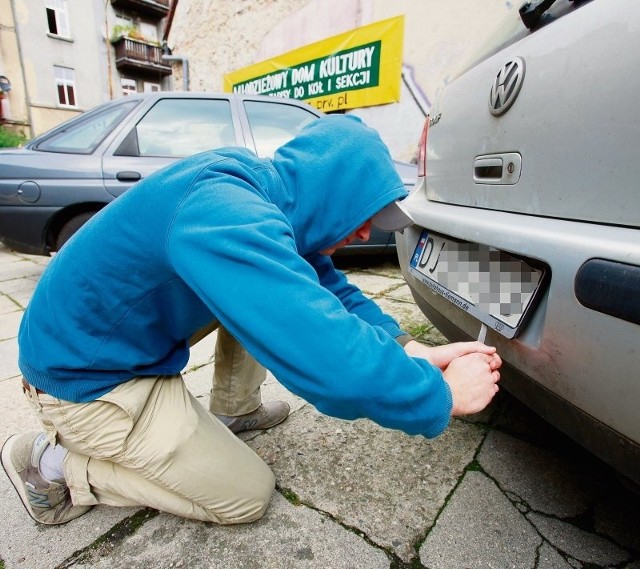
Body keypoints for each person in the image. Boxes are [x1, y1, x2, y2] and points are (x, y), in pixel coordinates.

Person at [1, 115, 501, 526]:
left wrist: (413, 350)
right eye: (362, 215)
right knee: (245, 496)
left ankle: (234, 410)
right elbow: (330, 361)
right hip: (85, 382)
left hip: (103, 340)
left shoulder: (259, 192)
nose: (366, 231)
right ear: (329, 192)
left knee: (271, 298)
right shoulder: (224, 214)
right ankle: (57, 464)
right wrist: (442, 396)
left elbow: (326, 292)